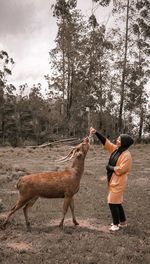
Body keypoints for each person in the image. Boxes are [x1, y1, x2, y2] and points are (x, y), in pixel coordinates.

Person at [90, 127, 134, 232]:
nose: (117, 140)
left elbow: (123, 169)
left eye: (119, 140)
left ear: (124, 143)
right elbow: (106, 143)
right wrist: (96, 133)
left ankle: (115, 224)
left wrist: (110, 168)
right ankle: (123, 223)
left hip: (119, 181)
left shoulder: (127, 155)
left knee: (112, 202)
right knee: (117, 202)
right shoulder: (116, 149)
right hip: (112, 180)